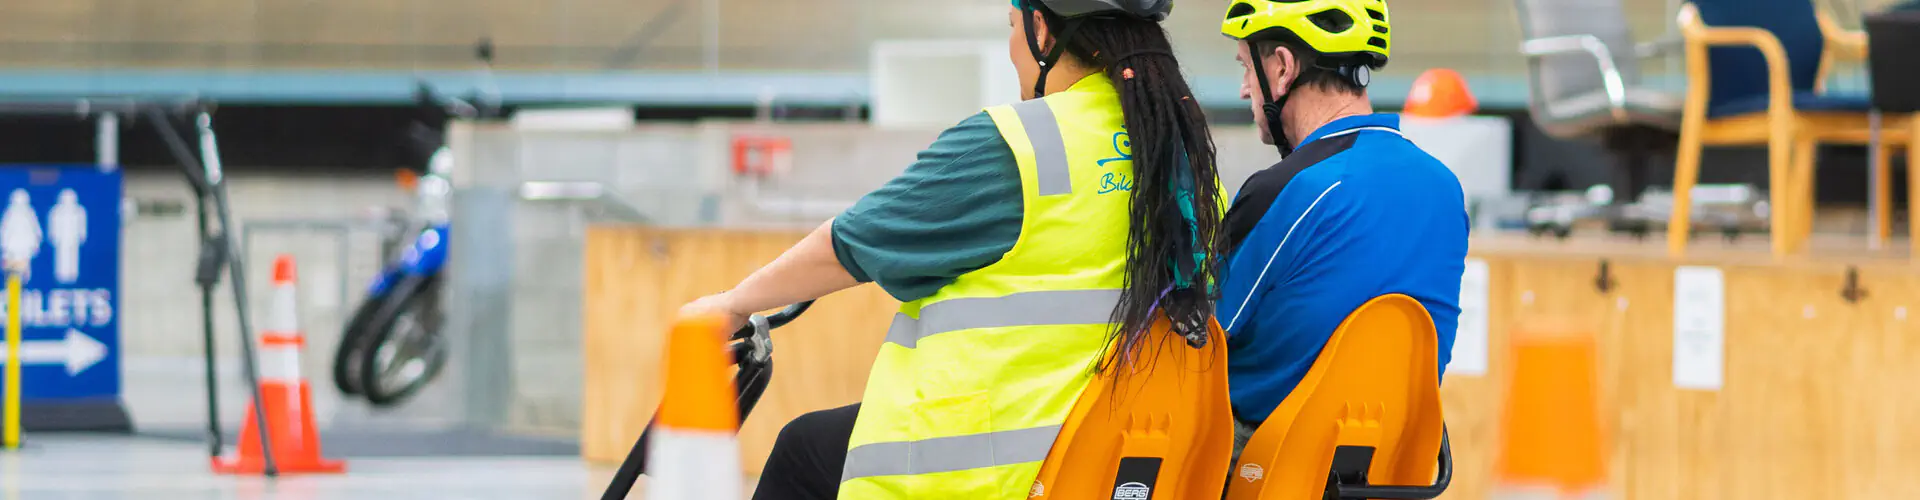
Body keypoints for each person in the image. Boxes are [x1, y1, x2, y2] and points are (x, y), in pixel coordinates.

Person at [676, 0, 1224, 498]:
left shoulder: (1021, 145)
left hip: (992, 469)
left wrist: (732, 305)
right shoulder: (1185, 157)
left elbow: (851, 242)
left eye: (1012, 26)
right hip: (1117, 454)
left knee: (802, 451)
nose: (1014, 49)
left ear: (1040, 28)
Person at [1213, 0, 1469, 460]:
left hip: (1271, 467)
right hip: (1396, 465)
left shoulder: (1287, 190)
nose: (1243, 90)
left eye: (1247, 67)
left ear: (1283, 67)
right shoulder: (1445, 188)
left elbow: (1198, 337)